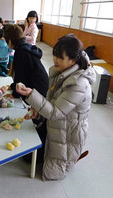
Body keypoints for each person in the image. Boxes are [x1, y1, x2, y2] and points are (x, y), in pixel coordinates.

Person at [16, 34, 96, 180]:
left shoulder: (79, 84)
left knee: (32, 158)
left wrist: (31, 95)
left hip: (69, 131)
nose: (55, 60)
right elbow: (51, 101)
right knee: (26, 149)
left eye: (60, 57)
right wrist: (37, 112)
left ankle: (72, 158)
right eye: (54, 55)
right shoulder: (61, 72)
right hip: (57, 123)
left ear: (72, 60)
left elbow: (55, 112)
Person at [3, 24, 49, 100]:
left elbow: (21, 76)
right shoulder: (24, 46)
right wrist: (12, 86)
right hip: (42, 85)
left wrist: (14, 95)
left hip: (39, 91)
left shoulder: (22, 52)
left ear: (10, 41)